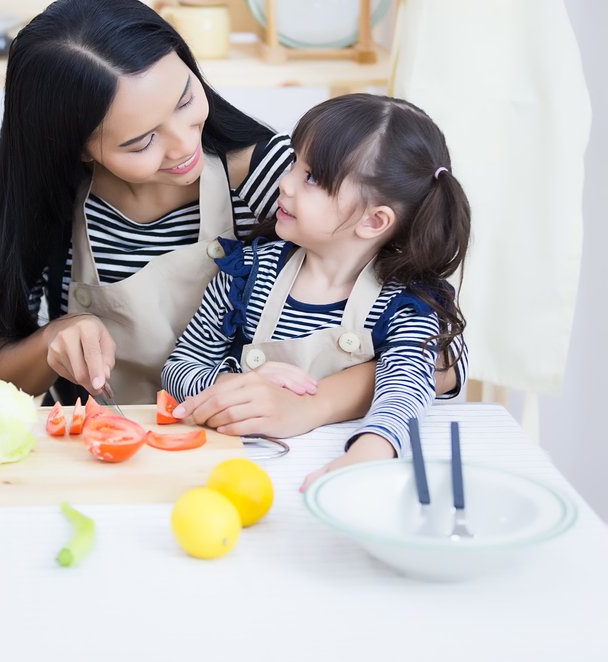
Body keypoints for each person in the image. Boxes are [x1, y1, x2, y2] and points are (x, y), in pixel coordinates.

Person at [0, 0, 461, 437]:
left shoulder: (272, 179)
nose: (183, 146)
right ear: (79, 148)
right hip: (96, 450)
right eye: (141, 141)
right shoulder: (31, 206)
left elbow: (441, 358)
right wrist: (53, 339)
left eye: (185, 100)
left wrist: (309, 405)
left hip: (241, 450)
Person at [163, 93, 471, 489]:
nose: (285, 183)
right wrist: (232, 385)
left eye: (311, 178)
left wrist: (367, 453)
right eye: (294, 162)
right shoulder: (246, 273)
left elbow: (405, 386)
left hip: (331, 472)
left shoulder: (406, 303)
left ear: (374, 220)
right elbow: (180, 367)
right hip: (244, 472)